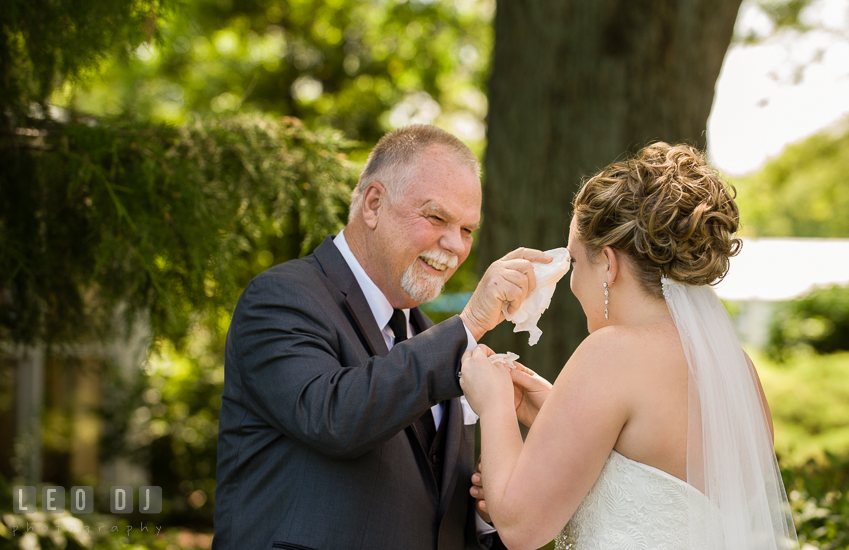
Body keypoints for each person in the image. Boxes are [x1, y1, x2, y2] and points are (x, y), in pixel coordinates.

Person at [213, 124, 551, 550]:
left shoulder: (436, 344)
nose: (455, 246)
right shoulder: (281, 298)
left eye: (467, 229)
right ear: (373, 204)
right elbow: (333, 418)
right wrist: (469, 325)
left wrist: (487, 517)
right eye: (436, 217)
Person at [460, 143, 799, 550]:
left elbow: (520, 527)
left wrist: (494, 401)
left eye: (575, 261)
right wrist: (559, 414)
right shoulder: (738, 371)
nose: (571, 283)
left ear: (608, 263)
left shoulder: (612, 352)